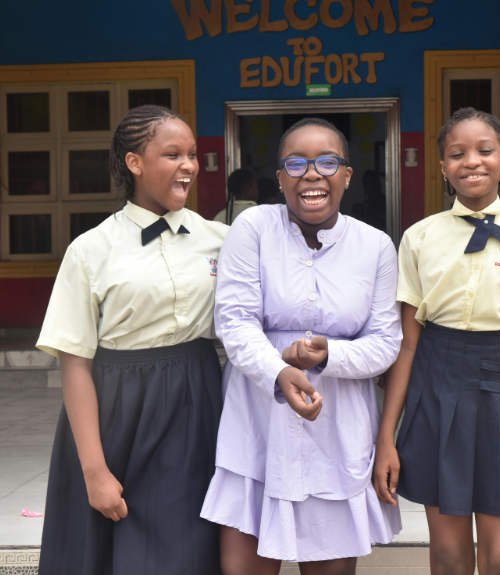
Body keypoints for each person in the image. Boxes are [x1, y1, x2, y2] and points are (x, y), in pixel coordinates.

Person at [202, 118, 402, 575]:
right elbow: (235, 320)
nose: (311, 174)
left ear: (346, 175)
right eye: (296, 164)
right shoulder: (252, 227)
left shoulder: (375, 247)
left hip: (338, 431)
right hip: (258, 423)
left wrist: (329, 355)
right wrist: (278, 370)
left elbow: (385, 342)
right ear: (280, 178)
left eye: (327, 162)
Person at [36, 105, 227, 575]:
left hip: (198, 402)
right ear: (134, 163)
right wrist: (94, 470)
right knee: (109, 547)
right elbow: (74, 362)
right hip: (117, 411)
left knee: (187, 549)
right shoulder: (90, 250)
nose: (188, 165)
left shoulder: (222, 240)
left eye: (192, 154)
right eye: (172, 154)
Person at [374, 107, 500, 575]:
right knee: (448, 557)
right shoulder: (419, 237)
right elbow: (408, 345)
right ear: (443, 167)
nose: (472, 162)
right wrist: (386, 437)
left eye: (485, 151)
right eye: (457, 153)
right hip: (436, 384)